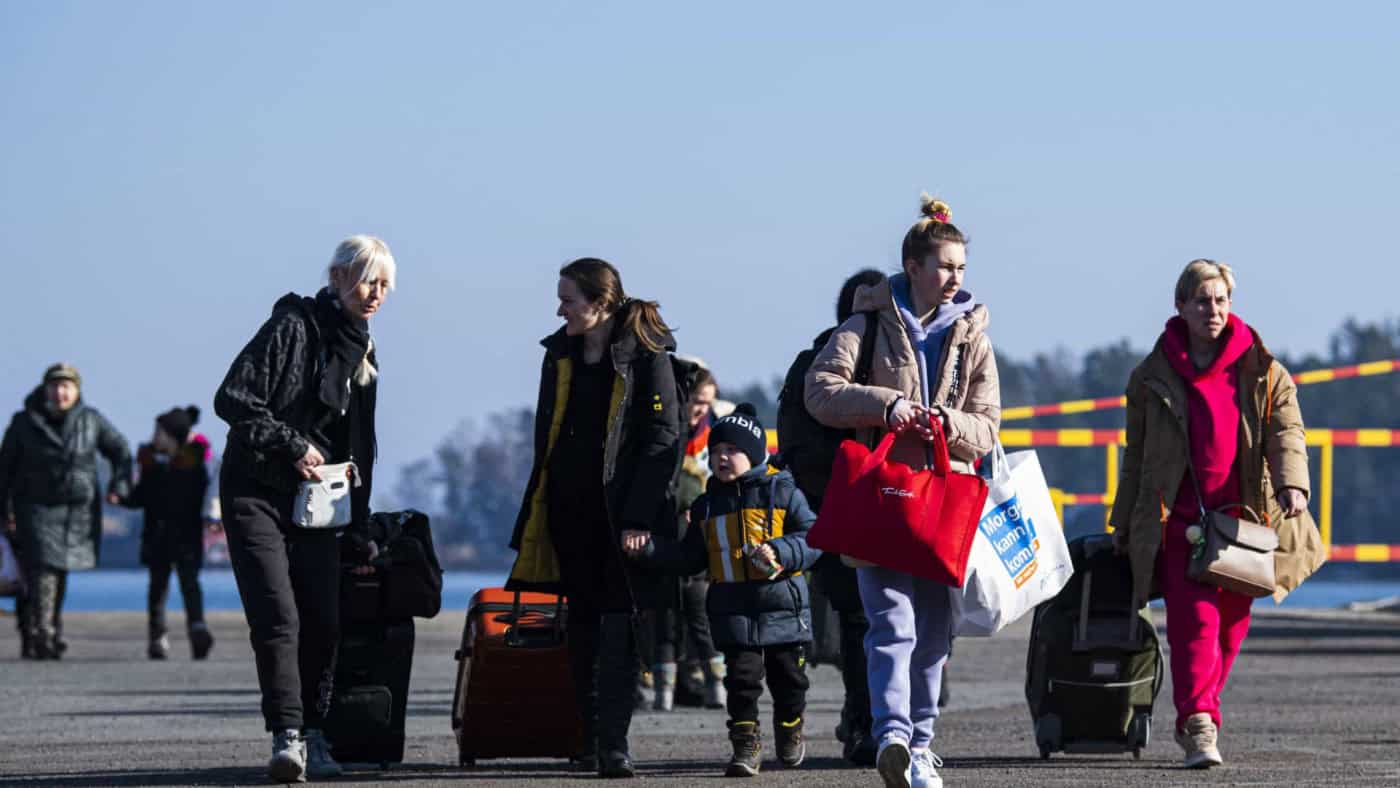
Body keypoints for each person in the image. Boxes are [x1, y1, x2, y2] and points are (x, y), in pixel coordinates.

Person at [806, 196, 1001, 788]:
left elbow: (988, 425)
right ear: (912, 266)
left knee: (937, 631)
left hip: (946, 499)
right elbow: (820, 390)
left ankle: (920, 742)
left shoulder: (973, 335)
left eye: (962, 268)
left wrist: (946, 423)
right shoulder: (864, 324)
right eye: (945, 266)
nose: (955, 278)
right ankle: (893, 733)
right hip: (883, 497)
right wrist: (887, 406)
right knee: (891, 621)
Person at [1109, 259, 1324, 769]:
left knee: (1232, 625)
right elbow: (1135, 456)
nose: (1214, 310)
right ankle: (1199, 724)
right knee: (1194, 625)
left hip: (1248, 519)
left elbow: (1286, 430)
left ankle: (1200, 707)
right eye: (1203, 300)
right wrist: (1125, 521)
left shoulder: (1262, 368)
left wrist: (1293, 483)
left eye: (1222, 300)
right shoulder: (1151, 375)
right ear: (1180, 305)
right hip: (1183, 520)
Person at [214, 235, 392, 783]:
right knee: (278, 616)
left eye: (385, 285)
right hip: (255, 490)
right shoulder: (292, 327)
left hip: (317, 503)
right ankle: (287, 737)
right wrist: (292, 445)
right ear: (338, 277)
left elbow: (360, 442)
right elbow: (233, 400)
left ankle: (315, 733)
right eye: (367, 281)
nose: (376, 294)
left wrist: (360, 524)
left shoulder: (362, 348)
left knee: (323, 620)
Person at [505, 257, 682, 779]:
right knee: (579, 628)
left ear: (600, 303)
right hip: (566, 508)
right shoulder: (558, 353)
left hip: (624, 517)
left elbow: (662, 443)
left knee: (620, 630)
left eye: (568, 299)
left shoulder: (647, 355)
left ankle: (614, 745)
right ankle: (587, 740)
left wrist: (640, 519)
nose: (559, 309)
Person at [627, 404, 821, 777]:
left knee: (789, 680)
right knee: (742, 682)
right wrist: (651, 550)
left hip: (784, 607)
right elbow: (689, 559)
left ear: (752, 453)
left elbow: (813, 538)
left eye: (730, 451)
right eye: (715, 453)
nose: (721, 458)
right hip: (733, 608)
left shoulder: (784, 490)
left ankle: (790, 727)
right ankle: (745, 746)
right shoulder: (706, 506)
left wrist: (781, 550)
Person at [778, 267, 886, 764]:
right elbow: (801, 449)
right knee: (864, 622)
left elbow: (795, 449)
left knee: (861, 623)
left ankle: (867, 722)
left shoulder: (808, 362)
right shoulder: (827, 365)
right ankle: (867, 725)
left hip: (836, 511)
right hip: (852, 514)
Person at [0, 363, 132, 660]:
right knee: (43, 568)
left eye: (67, 386)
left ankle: (44, 628)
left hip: (78, 512)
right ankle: (43, 632)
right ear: (45, 389)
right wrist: (3, 510)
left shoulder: (90, 421)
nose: (61, 392)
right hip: (34, 508)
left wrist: (119, 485)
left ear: (76, 390)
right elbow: (4, 469)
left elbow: (121, 450)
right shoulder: (24, 423)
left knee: (58, 570)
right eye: (55, 386)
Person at [652, 365, 725, 711]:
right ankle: (658, 687)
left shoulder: (716, 439)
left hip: (702, 539)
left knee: (701, 616)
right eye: (696, 402)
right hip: (667, 537)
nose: (700, 410)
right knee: (664, 618)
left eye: (706, 404)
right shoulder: (667, 435)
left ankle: (698, 681)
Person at [120, 405, 217, 660]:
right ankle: (159, 635)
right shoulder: (150, 461)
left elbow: (205, 498)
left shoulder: (196, 464)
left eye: (159, 432)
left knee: (185, 585)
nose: (154, 436)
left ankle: (196, 630)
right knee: (161, 587)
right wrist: (122, 498)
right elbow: (141, 496)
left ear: (174, 436)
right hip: (159, 535)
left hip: (185, 536)